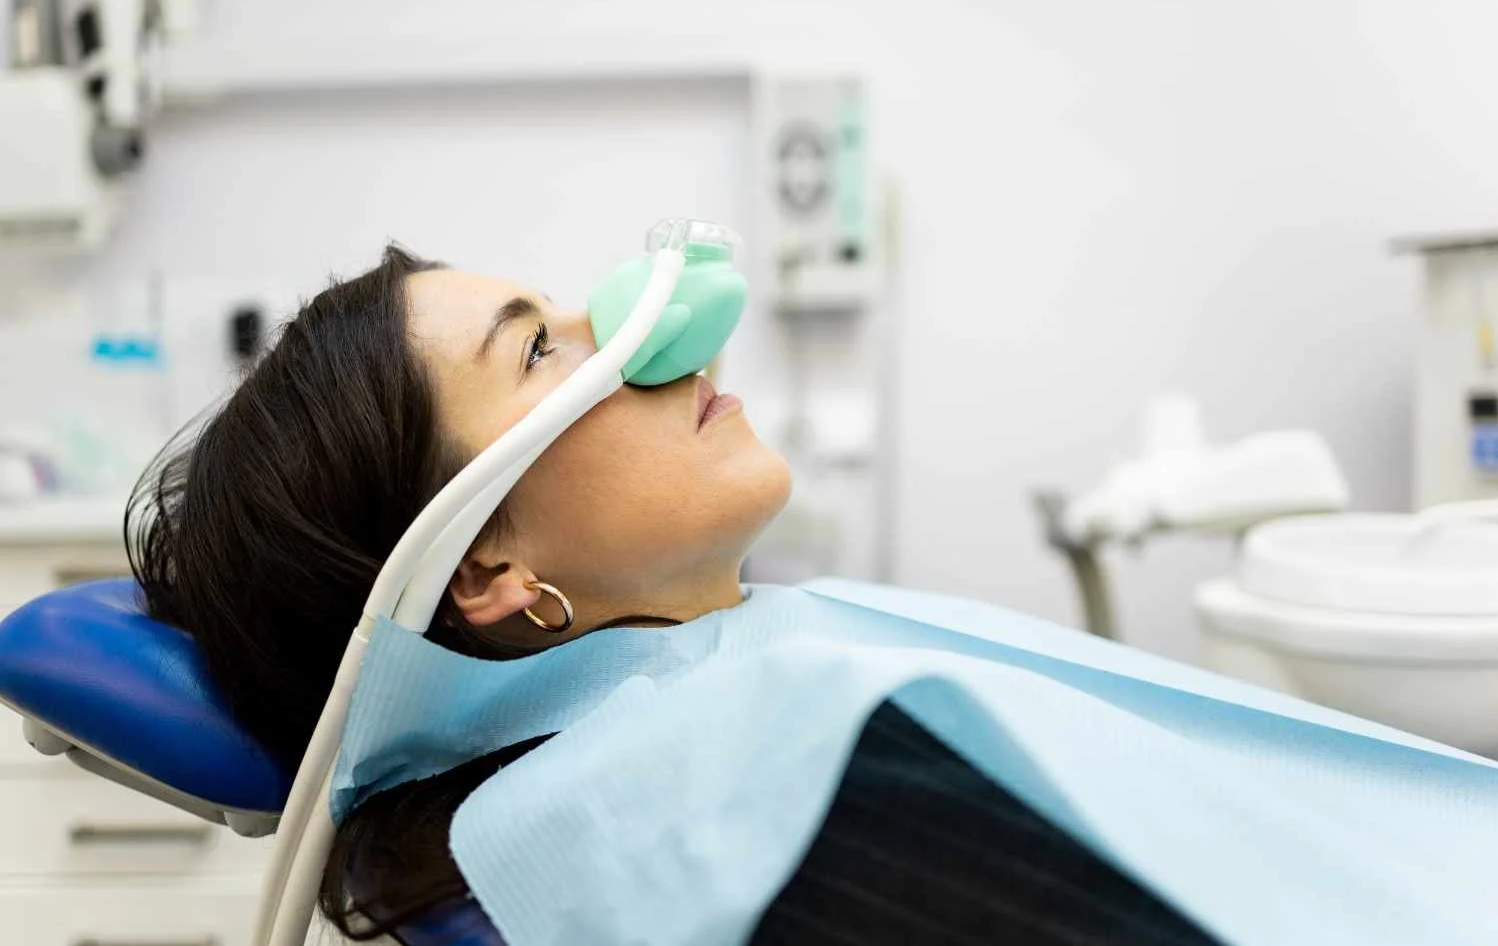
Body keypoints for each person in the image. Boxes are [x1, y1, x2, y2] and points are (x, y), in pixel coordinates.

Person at [129, 245, 1219, 943]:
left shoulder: (758, 702)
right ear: (484, 570)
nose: (644, 335)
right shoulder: (714, 815)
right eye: (543, 347)